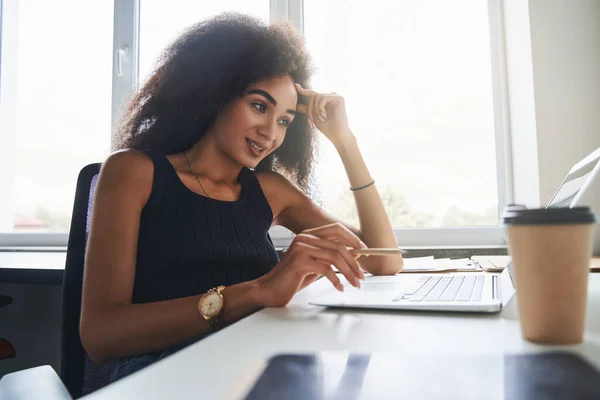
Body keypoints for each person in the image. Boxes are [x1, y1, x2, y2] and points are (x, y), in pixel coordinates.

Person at [80, 12, 403, 381]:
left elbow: (385, 260)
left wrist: (345, 141)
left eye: (284, 120)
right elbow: (100, 336)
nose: (270, 133)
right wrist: (259, 291)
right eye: (259, 106)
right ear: (216, 95)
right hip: (163, 371)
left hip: (259, 360)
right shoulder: (133, 172)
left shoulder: (271, 190)